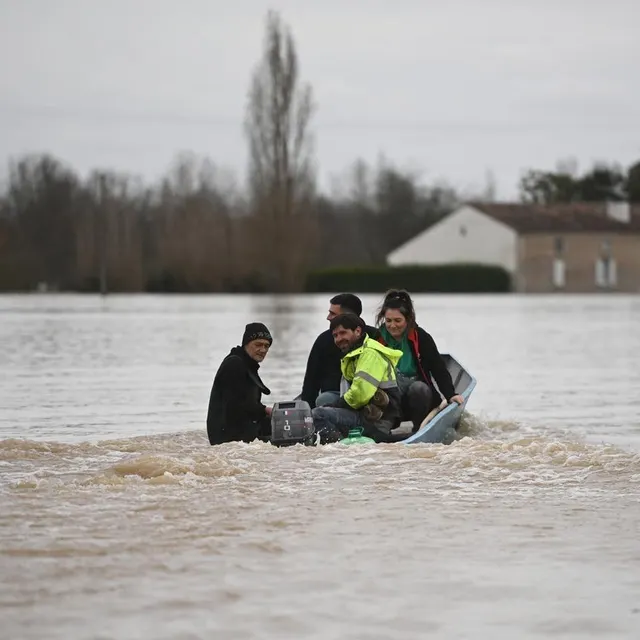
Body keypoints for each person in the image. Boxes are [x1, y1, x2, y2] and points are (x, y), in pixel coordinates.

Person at [375, 289, 464, 432]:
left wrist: (450, 395)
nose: (392, 326)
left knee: (419, 389)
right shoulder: (375, 338)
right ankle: (386, 427)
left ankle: (419, 429)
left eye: (398, 321)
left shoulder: (421, 338)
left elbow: (438, 368)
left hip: (415, 396)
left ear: (408, 319)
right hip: (388, 397)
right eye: (388, 321)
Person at [311, 313, 403, 443]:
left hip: (376, 421)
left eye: (343, 333)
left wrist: (334, 406)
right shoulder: (353, 355)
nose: (338, 339)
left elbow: (359, 395)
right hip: (364, 415)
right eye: (335, 335)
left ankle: (339, 451)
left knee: (318, 415)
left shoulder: (370, 353)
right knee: (323, 404)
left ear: (358, 331)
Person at [300, 293, 377, 409]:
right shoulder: (323, 340)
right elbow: (311, 380)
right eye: (336, 335)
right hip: (334, 396)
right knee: (324, 399)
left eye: (333, 313)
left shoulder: (375, 337)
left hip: (370, 397)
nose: (328, 317)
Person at [206, 322, 274, 445]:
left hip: (243, 432)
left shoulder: (247, 364)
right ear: (246, 344)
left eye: (266, 346)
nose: (263, 350)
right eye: (258, 344)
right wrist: (266, 410)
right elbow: (237, 406)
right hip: (229, 439)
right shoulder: (234, 364)